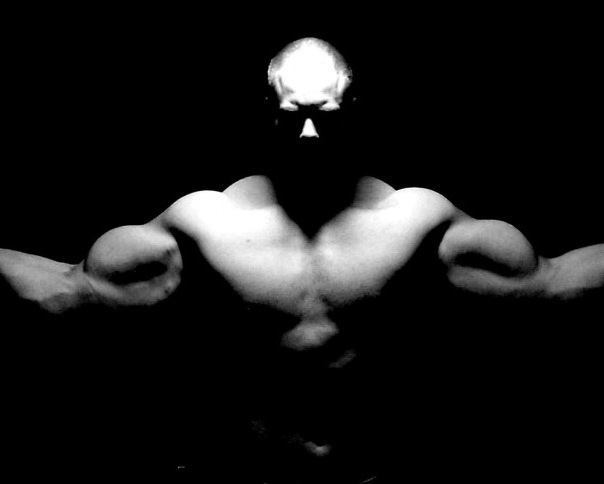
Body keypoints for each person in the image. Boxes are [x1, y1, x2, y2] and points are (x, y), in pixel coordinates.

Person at [1, 37, 603, 483]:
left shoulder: (419, 223)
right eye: (294, 116)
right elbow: (69, 295)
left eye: (326, 115)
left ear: (354, 105)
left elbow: (553, 285)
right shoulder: (203, 226)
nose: (310, 134)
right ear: (268, 109)